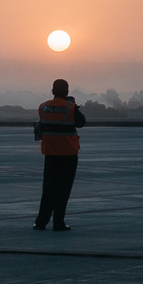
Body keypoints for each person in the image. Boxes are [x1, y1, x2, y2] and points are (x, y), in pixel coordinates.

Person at [34, 79, 85, 231]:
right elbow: (81, 122)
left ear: (52, 91)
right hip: (68, 154)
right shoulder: (71, 107)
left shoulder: (43, 107)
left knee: (48, 189)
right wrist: (75, 107)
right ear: (67, 91)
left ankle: (41, 222)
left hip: (50, 153)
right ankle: (58, 222)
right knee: (63, 190)